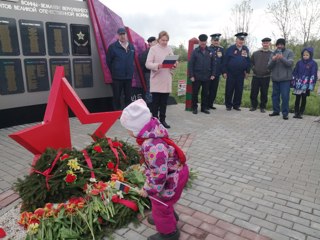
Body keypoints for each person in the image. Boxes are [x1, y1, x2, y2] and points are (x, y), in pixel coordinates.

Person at [120, 99, 189, 240]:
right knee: (165, 203)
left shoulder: (152, 145)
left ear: (137, 128)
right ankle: (170, 216)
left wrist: (148, 189)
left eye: (128, 128)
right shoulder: (153, 132)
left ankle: (168, 233)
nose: (127, 131)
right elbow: (157, 164)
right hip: (175, 173)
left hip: (171, 179)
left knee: (159, 205)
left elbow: (159, 174)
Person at [146, 31, 177, 129]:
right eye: (163, 40)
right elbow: (148, 64)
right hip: (156, 79)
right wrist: (157, 65)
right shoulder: (153, 49)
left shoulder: (169, 49)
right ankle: (154, 121)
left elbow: (173, 61)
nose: (164, 42)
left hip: (166, 78)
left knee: (164, 103)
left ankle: (163, 120)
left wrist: (174, 64)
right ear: (158, 39)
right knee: (155, 103)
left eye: (166, 40)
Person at [106, 27, 135, 110]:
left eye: (124, 34)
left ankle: (128, 113)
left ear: (126, 35)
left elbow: (132, 60)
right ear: (117, 36)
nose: (122, 36)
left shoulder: (131, 47)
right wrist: (115, 71)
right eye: (120, 34)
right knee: (117, 96)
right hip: (117, 77)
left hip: (128, 76)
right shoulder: (112, 47)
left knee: (128, 97)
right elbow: (108, 62)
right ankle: (117, 113)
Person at [222, 32, 250, 111]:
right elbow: (225, 61)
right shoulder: (230, 49)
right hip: (230, 73)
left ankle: (236, 105)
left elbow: (248, 61)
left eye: (242, 40)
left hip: (241, 74)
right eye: (239, 40)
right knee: (229, 89)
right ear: (236, 40)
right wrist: (224, 72)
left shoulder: (245, 49)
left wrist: (247, 71)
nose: (241, 41)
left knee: (239, 90)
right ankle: (228, 105)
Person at [188, 34, 215, 114]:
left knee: (205, 93)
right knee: (195, 93)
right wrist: (191, 76)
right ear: (199, 42)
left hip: (207, 76)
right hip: (197, 76)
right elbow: (191, 64)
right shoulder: (195, 51)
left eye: (204, 42)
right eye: (202, 42)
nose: (203, 43)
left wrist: (213, 74)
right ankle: (194, 108)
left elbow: (213, 63)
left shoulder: (210, 51)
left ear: (206, 41)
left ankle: (204, 108)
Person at [268, 38, 294, 120]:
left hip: (285, 79)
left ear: (284, 45)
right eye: (278, 44)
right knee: (275, 96)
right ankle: (276, 111)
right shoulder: (273, 53)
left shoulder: (289, 52)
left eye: (281, 44)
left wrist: (282, 58)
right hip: (275, 79)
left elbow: (290, 63)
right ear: (276, 45)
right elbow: (268, 66)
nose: (279, 46)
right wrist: (273, 60)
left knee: (285, 97)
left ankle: (285, 114)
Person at [291, 47, 318, 119]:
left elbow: (313, 74)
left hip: (306, 85)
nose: (305, 56)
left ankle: (301, 112)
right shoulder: (299, 62)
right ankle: (296, 112)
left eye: (307, 55)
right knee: (297, 98)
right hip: (298, 84)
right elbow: (295, 71)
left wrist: (311, 84)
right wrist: (294, 80)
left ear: (310, 55)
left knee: (304, 98)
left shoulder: (313, 63)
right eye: (304, 55)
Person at [249, 37, 272, 113]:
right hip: (256, 76)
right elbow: (251, 62)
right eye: (264, 43)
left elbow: (274, 64)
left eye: (267, 43)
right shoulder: (256, 53)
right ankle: (253, 106)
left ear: (269, 44)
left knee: (264, 92)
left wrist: (269, 70)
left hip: (266, 77)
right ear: (262, 44)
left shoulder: (272, 54)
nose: (265, 44)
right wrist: (253, 68)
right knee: (254, 92)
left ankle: (262, 107)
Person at [139, 36, 157, 109]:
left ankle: (154, 105)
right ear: (150, 43)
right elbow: (143, 63)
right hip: (149, 74)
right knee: (149, 89)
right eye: (155, 42)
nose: (156, 43)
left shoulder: (156, 52)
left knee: (155, 89)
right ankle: (149, 106)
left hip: (156, 73)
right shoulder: (146, 53)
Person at [208, 33, 224, 110]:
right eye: (214, 40)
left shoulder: (221, 49)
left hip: (217, 73)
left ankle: (210, 104)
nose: (216, 42)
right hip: (209, 73)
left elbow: (223, 61)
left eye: (217, 41)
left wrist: (223, 72)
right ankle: (205, 105)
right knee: (207, 90)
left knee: (214, 90)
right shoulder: (208, 49)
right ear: (211, 41)